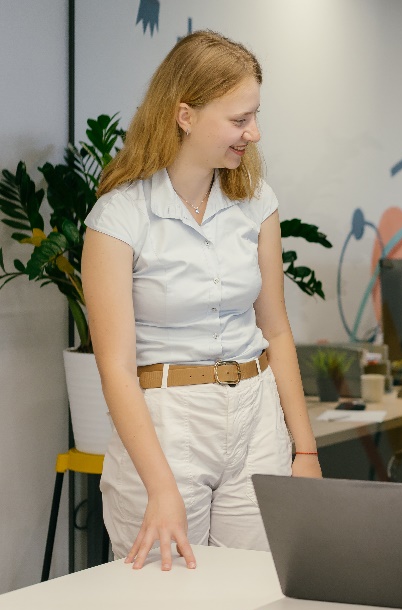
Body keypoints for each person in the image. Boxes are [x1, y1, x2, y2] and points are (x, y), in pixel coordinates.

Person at [81, 31, 322, 572]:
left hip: (257, 415)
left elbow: (276, 329)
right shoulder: (119, 217)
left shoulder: (256, 201)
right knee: (164, 605)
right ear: (184, 115)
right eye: (239, 120)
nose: (253, 133)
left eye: (255, 116)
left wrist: (304, 451)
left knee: (257, 589)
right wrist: (160, 486)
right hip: (166, 422)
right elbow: (115, 368)